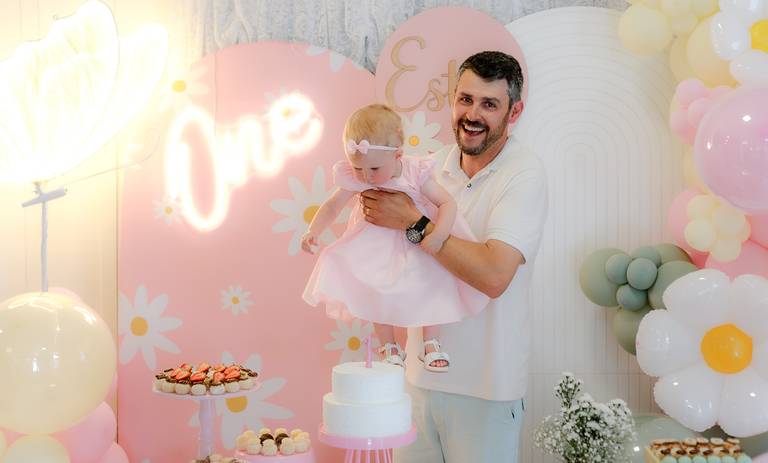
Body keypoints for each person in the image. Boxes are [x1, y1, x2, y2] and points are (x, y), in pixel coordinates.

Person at [361, 51, 548, 462]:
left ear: (514, 112)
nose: (472, 115)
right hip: (418, 381)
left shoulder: (524, 174)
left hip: (486, 391)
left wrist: (413, 223)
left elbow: (494, 276)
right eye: (465, 99)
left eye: (489, 104)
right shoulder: (429, 168)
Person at [301, 103, 489, 372]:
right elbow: (333, 206)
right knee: (376, 288)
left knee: (432, 281)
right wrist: (313, 231)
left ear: (398, 155)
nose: (366, 176)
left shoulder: (414, 171)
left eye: (374, 169)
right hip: (375, 242)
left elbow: (447, 203)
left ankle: (431, 342)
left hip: (415, 241)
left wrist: (439, 235)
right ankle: (388, 345)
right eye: (358, 168)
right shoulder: (358, 175)